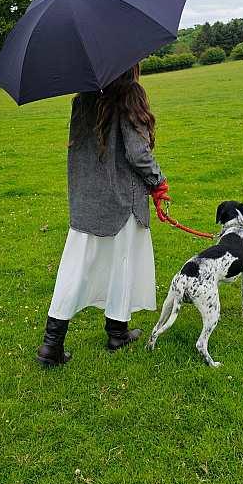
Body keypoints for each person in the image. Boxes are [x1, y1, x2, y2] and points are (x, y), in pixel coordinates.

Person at [36, 63, 170, 367]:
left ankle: (100, 334)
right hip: (121, 200)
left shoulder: (83, 98)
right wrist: (159, 182)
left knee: (75, 269)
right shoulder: (129, 95)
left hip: (87, 201)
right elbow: (138, 154)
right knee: (121, 263)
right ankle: (98, 335)